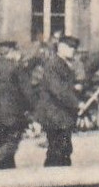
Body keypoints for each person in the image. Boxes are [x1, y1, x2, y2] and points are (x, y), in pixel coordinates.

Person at [0, 41, 31, 170]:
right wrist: (32, 109)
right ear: (12, 52)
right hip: (13, 112)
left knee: (3, 142)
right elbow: (26, 92)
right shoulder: (17, 68)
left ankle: (8, 171)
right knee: (12, 142)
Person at [33, 35, 82, 168]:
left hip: (60, 114)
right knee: (58, 149)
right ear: (61, 48)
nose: (73, 50)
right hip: (54, 114)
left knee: (62, 149)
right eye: (70, 47)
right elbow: (58, 90)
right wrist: (76, 103)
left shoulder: (62, 64)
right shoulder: (54, 64)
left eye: (74, 48)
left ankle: (58, 178)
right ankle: (53, 180)